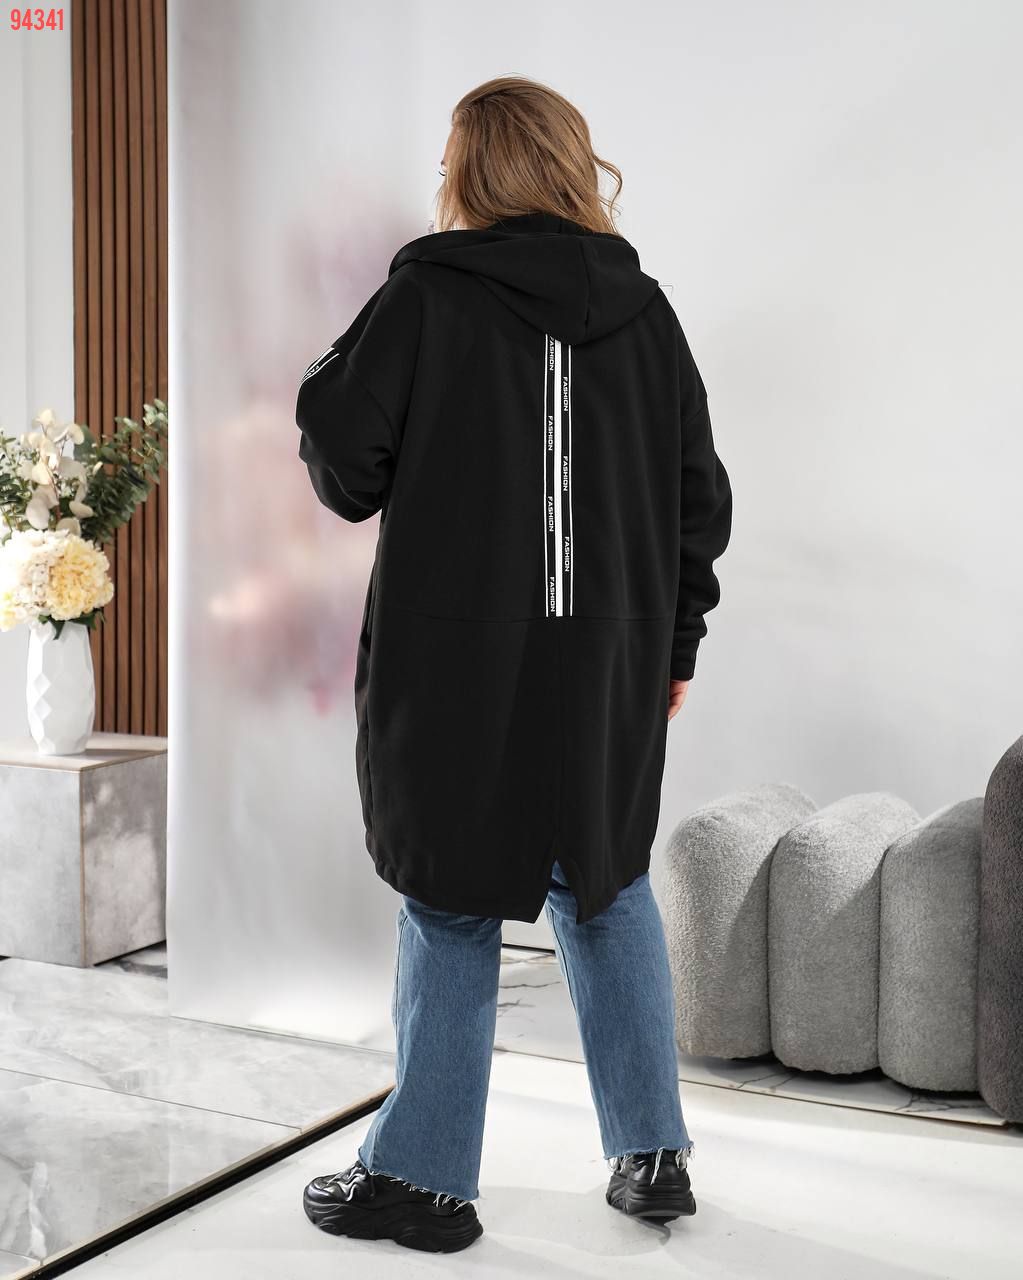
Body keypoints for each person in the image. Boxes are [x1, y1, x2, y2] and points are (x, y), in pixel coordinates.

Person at [294, 75, 732, 1254]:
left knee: (449, 896)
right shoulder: (646, 313)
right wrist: (675, 644)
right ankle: (653, 1154)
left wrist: (347, 361)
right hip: (610, 663)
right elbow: (699, 498)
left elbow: (342, 457)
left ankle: (424, 1179)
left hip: (455, 660)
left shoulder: (425, 295)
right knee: (606, 881)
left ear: (469, 170)